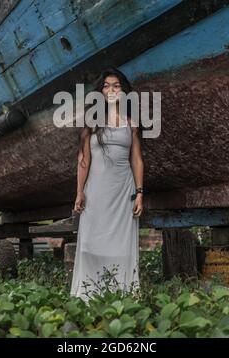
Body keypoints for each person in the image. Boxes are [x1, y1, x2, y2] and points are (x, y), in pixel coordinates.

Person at [70, 67, 144, 303]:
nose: (111, 90)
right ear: (100, 92)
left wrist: (140, 192)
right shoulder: (93, 123)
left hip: (123, 190)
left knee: (121, 244)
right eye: (106, 86)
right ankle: (89, 294)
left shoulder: (131, 123)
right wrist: (79, 192)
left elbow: (136, 159)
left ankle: (122, 293)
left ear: (123, 91)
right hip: (96, 190)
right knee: (91, 241)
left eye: (116, 86)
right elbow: (83, 160)